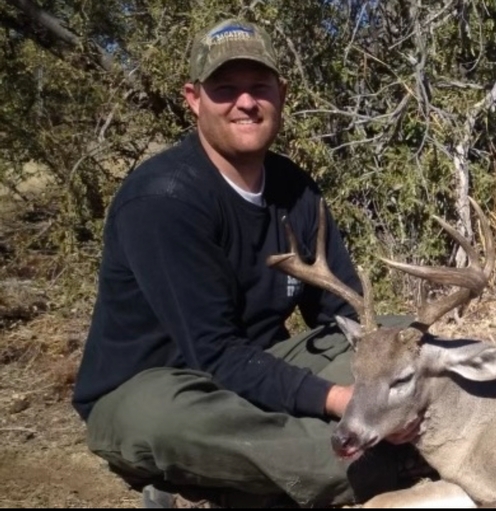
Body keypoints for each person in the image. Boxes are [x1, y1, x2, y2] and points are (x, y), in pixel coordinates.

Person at [72, 18, 430, 509]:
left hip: (260, 362)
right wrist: (347, 401)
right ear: (194, 98)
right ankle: (404, 461)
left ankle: (242, 474)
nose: (245, 102)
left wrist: (377, 369)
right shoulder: (163, 200)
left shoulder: (294, 187)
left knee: (399, 335)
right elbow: (215, 354)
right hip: (155, 386)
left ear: (280, 93)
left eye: (259, 86)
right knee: (181, 424)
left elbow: (337, 318)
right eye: (225, 89)